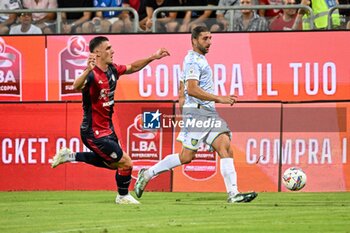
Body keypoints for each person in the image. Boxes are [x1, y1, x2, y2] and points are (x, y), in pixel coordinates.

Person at [134, 26, 258, 203]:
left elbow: (183, 86)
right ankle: (147, 174)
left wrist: (182, 102)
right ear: (194, 40)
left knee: (225, 147)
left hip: (206, 113)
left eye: (210, 38)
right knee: (186, 157)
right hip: (198, 114)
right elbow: (191, 89)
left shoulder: (196, 59)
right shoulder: (193, 61)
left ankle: (233, 194)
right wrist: (219, 98)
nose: (209, 42)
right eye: (204, 39)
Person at [51, 36, 170, 204]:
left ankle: (70, 156)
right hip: (93, 132)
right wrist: (86, 70)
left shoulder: (112, 70)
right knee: (126, 163)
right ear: (97, 53)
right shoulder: (91, 75)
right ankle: (122, 197)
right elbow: (76, 86)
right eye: (108, 48)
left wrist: (152, 57)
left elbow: (133, 67)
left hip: (108, 129)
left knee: (115, 165)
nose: (112, 51)